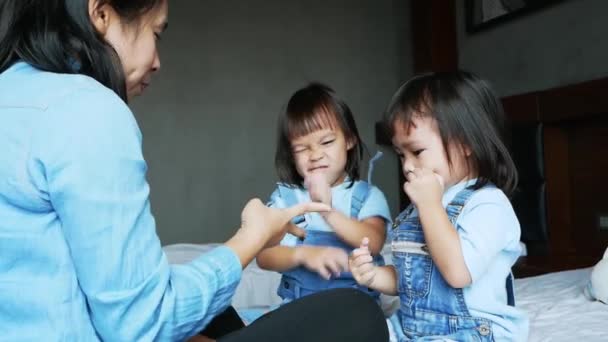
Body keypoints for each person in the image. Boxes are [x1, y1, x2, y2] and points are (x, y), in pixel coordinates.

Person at [0, 1, 388, 341]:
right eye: (156, 31)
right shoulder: (89, 108)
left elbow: (373, 236)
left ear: (350, 140)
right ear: (100, 13)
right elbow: (143, 326)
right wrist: (251, 238)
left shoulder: (11, 92)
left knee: (211, 302)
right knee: (356, 314)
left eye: (326, 143)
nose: (157, 60)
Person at [349, 71, 529, 341]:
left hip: (471, 332)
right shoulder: (420, 206)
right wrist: (374, 275)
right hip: (411, 328)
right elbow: (411, 281)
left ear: (465, 143)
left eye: (417, 151)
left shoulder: (488, 204)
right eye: (401, 155)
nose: (407, 166)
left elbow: (457, 273)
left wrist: (430, 206)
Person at [256, 83, 391, 305]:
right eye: (301, 148)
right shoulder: (286, 199)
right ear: (291, 155)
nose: (315, 154)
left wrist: (328, 211)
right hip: (299, 309)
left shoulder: (367, 196)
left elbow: (373, 242)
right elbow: (264, 256)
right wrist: (304, 255)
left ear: (349, 139)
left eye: (327, 142)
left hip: (355, 309)